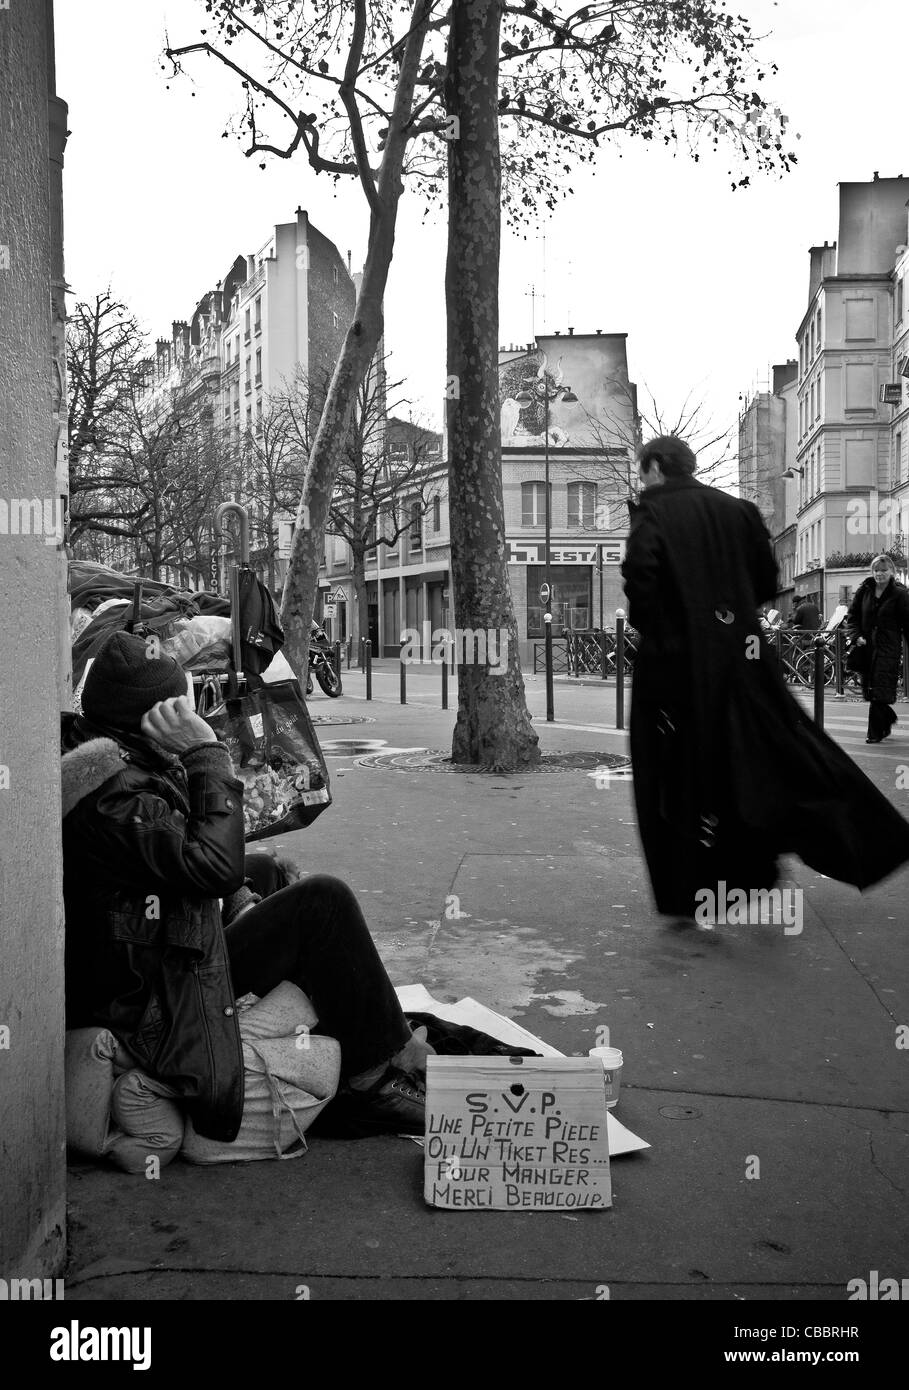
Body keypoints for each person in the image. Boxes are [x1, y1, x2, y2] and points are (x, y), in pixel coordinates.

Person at [61, 630, 431, 1144]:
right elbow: (212, 867)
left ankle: (380, 1038)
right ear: (159, 717)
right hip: (151, 1000)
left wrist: (243, 894)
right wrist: (206, 754)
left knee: (267, 870)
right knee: (324, 901)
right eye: (183, 704)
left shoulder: (109, 754)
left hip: (150, 951)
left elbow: (201, 861)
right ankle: (373, 1080)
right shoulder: (114, 796)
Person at [621, 434, 909, 925]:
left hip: (675, 666)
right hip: (742, 658)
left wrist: (665, 631)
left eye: (644, 469)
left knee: (671, 769)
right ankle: (824, 849)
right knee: (767, 752)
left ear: (655, 466)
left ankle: (688, 889)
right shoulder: (740, 512)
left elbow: (641, 581)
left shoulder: (652, 511)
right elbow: (763, 578)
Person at [845, 555, 909, 744]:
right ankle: (887, 719)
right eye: (876, 570)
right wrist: (856, 636)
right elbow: (853, 616)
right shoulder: (864, 590)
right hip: (866, 647)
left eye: (884, 570)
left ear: (892, 572)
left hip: (888, 647)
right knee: (870, 689)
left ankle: (874, 733)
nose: (880, 574)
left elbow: (908, 623)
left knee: (879, 689)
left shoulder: (900, 594)